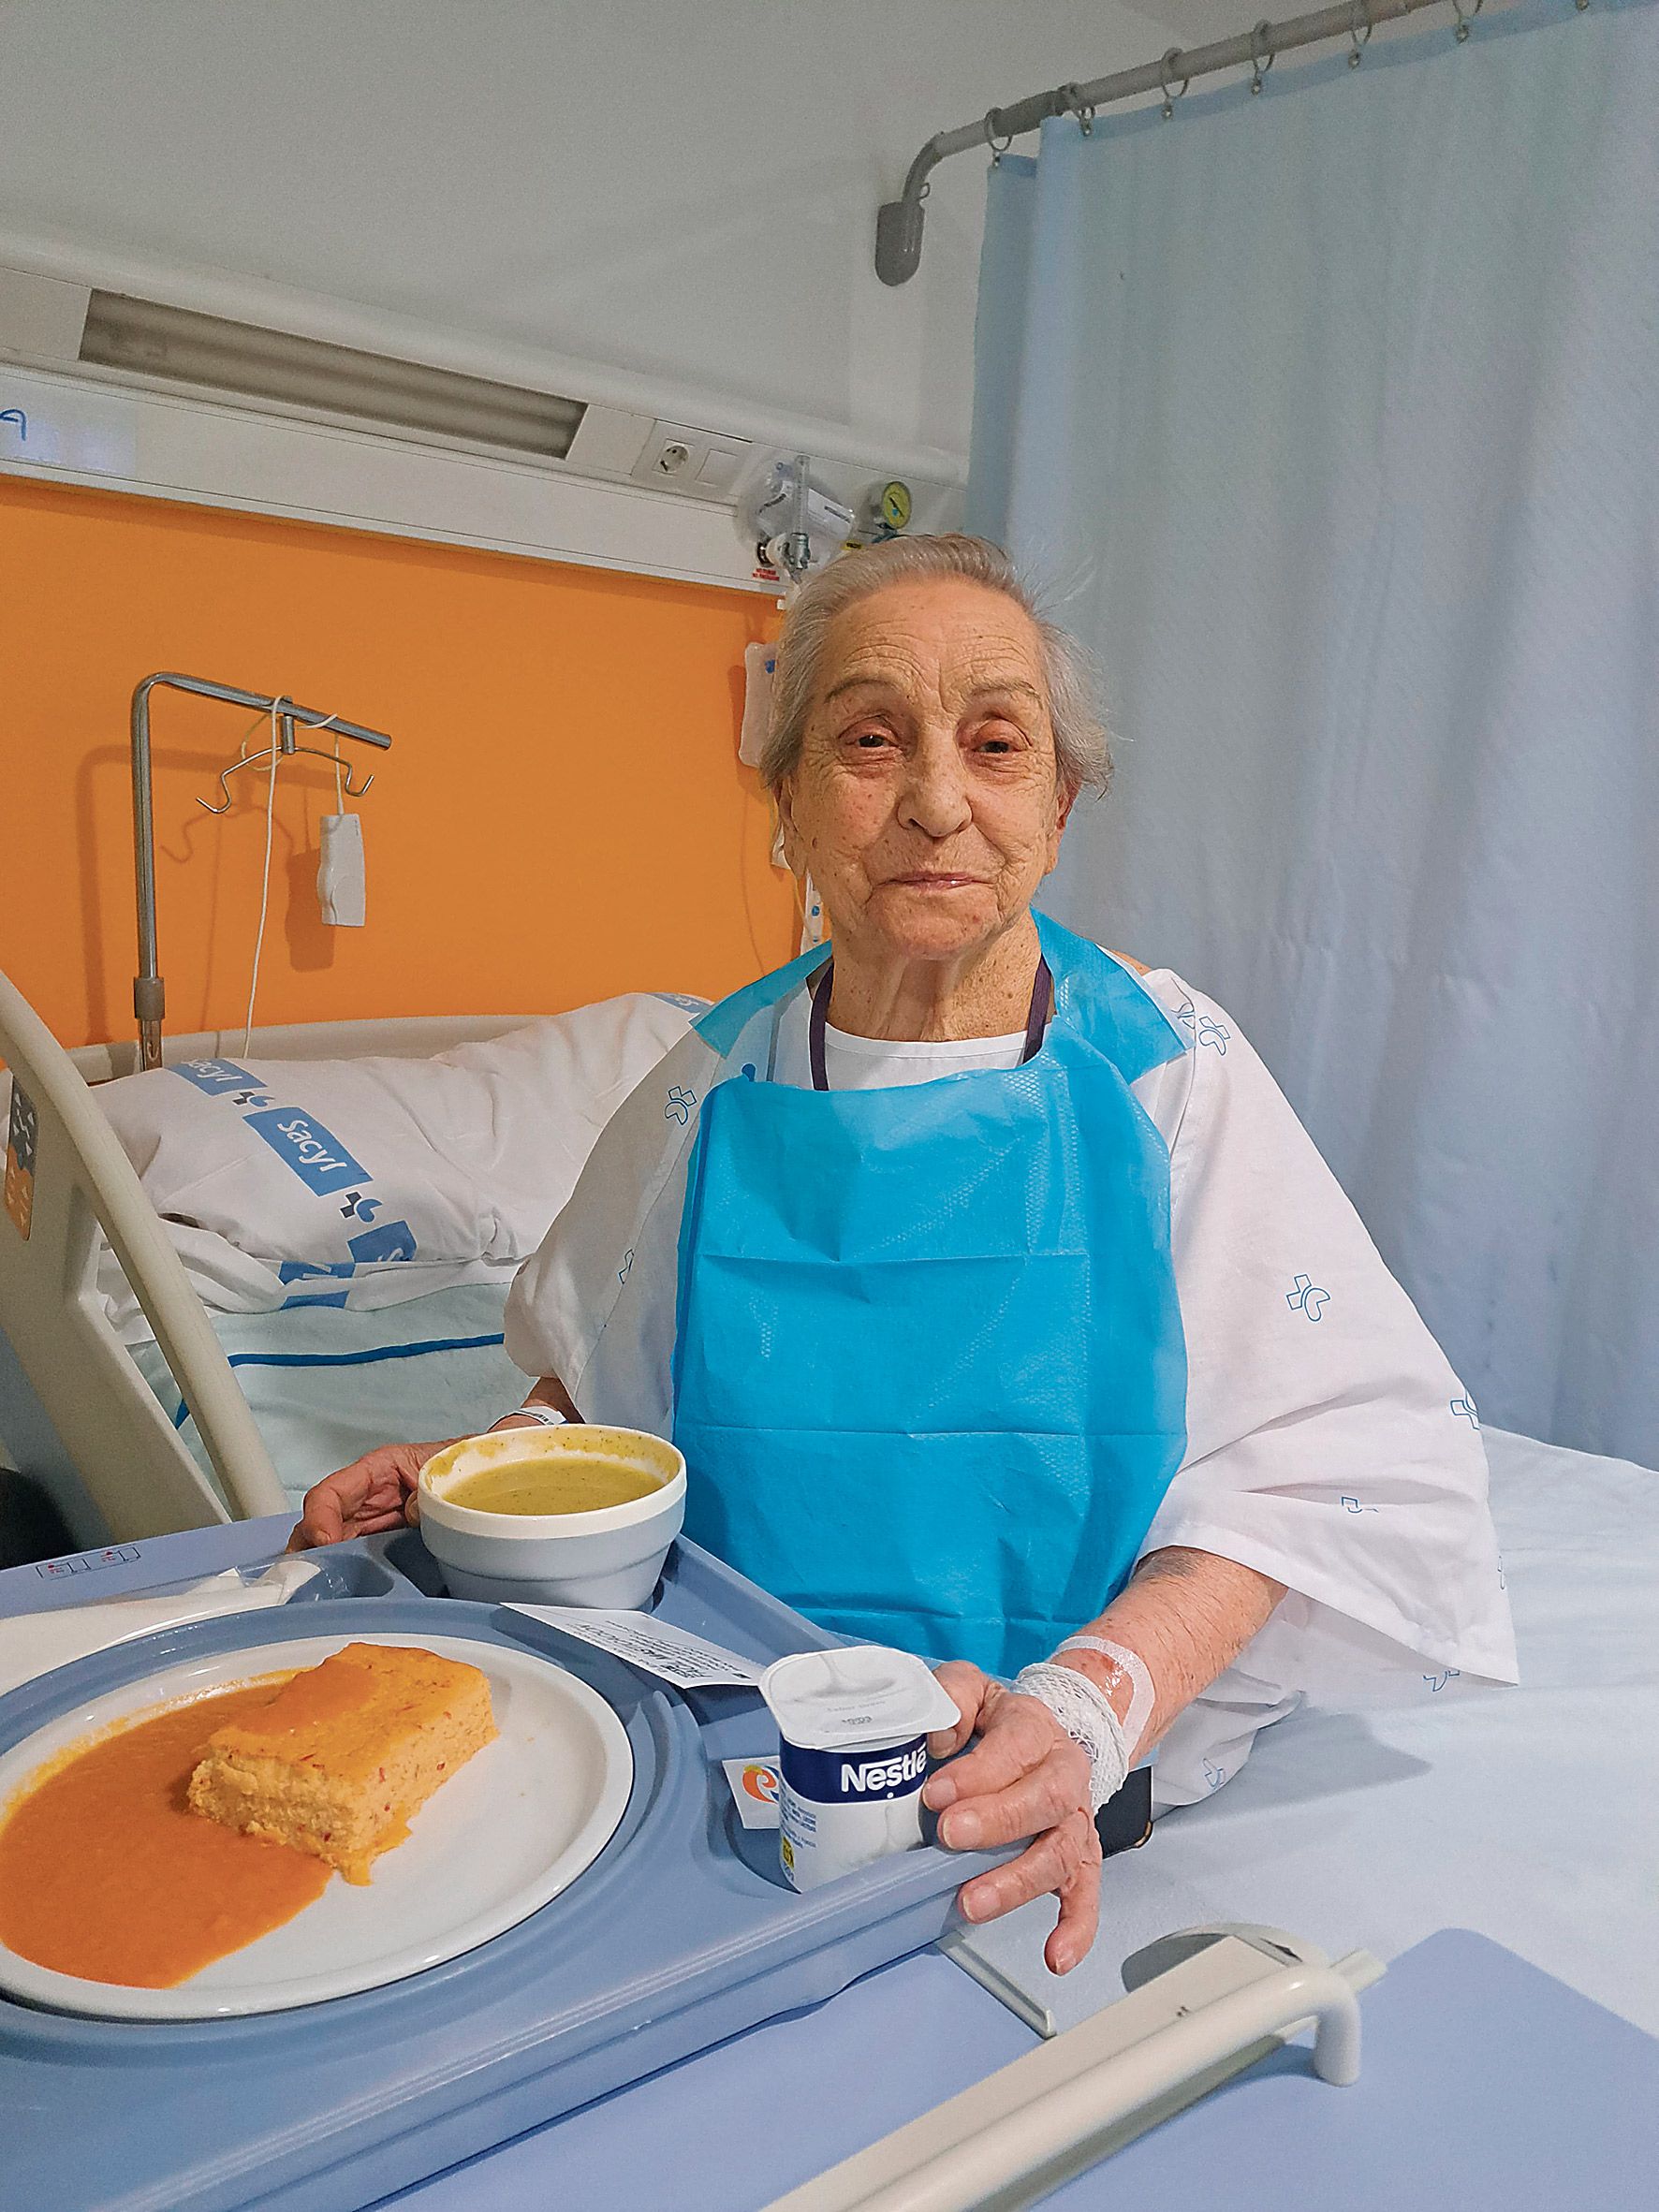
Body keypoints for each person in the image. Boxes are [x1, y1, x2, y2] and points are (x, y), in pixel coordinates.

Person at [292, 534, 1516, 1974]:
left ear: (1057, 804)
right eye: (871, 740)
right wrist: (479, 1486)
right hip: (744, 1732)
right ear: (789, 800)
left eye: (996, 745)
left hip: (1075, 1768)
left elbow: (1331, 1463)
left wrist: (1087, 1707)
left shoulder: (1161, 1075)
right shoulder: (714, 1081)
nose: (938, 800)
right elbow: (600, 1387)